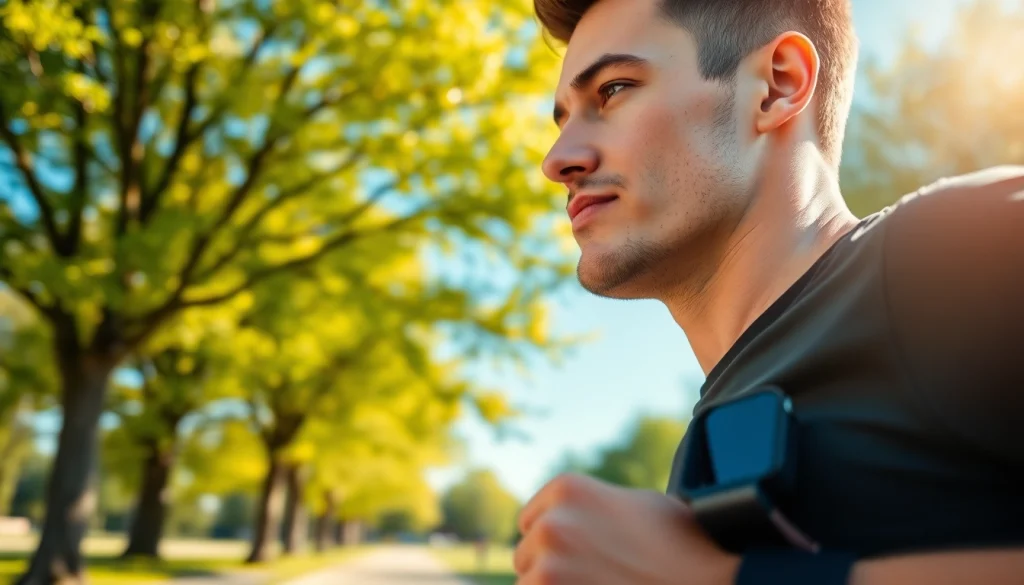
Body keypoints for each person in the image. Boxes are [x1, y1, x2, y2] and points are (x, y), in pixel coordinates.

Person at [512, 0, 1024, 583]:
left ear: (777, 87)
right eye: (563, 120)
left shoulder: (949, 252)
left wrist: (715, 579)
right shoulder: (708, 444)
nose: (558, 161)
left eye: (614, 89)